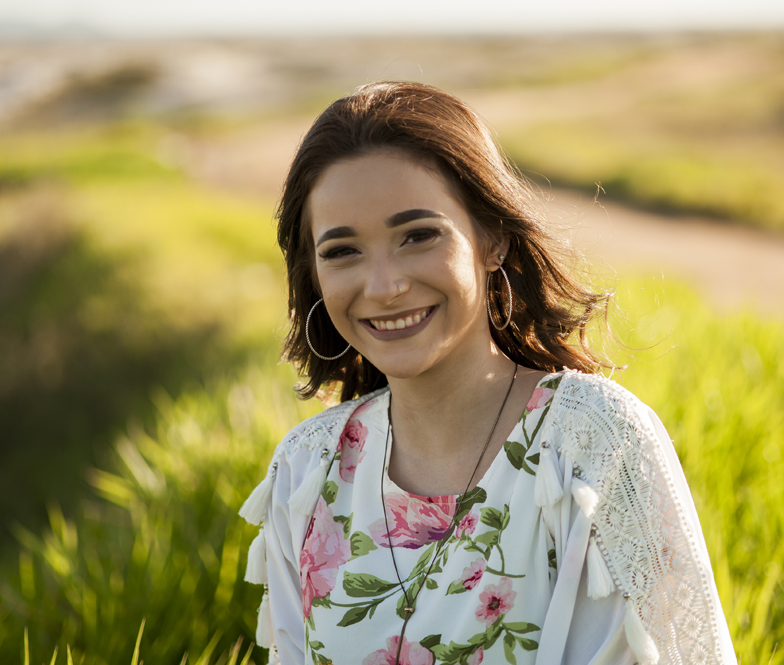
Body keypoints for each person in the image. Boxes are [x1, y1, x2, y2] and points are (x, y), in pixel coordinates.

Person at [239, 81, 736, 665]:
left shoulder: (590, 445)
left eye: (418, 236)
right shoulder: (307, 468)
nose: (383, 286)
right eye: (342, 251)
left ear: (491, 238)